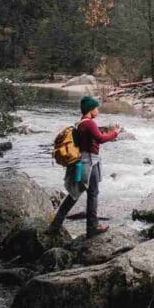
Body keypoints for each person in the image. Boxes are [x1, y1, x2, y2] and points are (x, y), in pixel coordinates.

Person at [48, 95, 120, 237]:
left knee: (79, 193)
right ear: (90, 109)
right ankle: (90, 227)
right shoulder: (89, 123)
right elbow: (100, 139)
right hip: (89, 162)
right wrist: (115, 133)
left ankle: (57, 225)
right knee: (85, 194)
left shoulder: (81, 123)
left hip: (85, 160)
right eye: (96, 107)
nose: (97, 110)